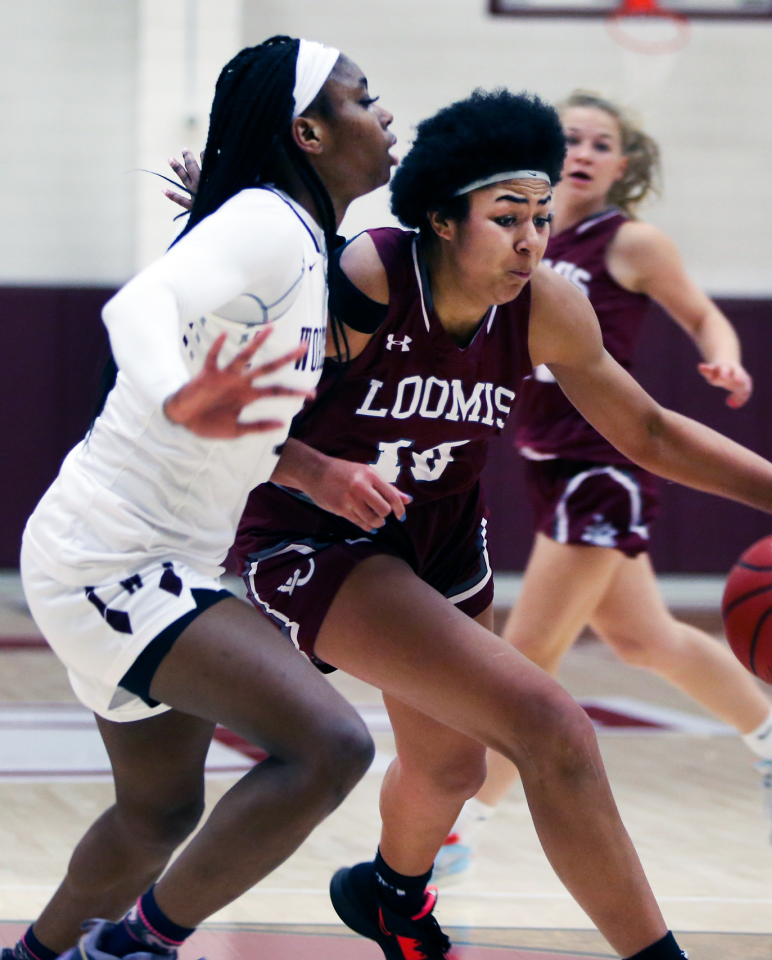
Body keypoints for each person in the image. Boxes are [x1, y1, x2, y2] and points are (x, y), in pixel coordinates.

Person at [222, 89, 772, 960]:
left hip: (443, 539)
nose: (532, 238)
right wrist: (318, 470)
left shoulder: (547, 304)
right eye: (507, 218)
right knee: (552, 725)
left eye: (539, 216)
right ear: (444, 220)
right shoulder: (372, 278)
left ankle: (392, 893)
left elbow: (646, 429)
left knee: (453, 768)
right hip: (317, 536)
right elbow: (231, 402)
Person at [9, 36, 397, 960]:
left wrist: (313, 472)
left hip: (150, 556)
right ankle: (136, 946)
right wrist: (178, 391)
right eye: (362, 97)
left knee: (157, 815)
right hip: (114, 555)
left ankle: (34, 958)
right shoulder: (265, 221)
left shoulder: (296, 235)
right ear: (305, 131)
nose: (384, 113)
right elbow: (134, 309)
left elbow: (248, 422)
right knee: (332, 748)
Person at [431, 91, 772, 885]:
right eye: (571, 138)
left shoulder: (632, 243)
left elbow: (704, 315)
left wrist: (725, 358)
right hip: (548, 461)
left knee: (528, 654)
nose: (583, 151)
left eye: (601, 142)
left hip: (602, 467)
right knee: (642, 640)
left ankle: (461, 828)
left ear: (624, 164)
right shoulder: (517, 234)